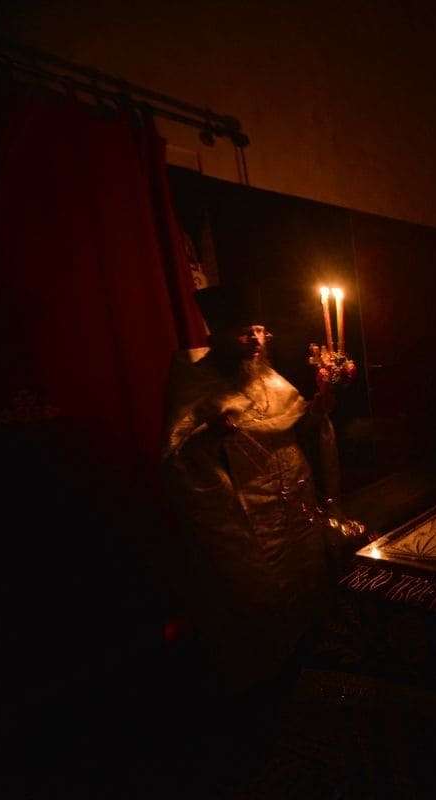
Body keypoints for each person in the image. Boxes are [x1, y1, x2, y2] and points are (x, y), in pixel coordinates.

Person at [162, 286, 337, 692]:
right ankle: (268, 681)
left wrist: (320, 406)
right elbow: (177, 454)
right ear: (219, 336)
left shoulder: (266, 376)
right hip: (244, 513)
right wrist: (211, 435)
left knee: (306, 581)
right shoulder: (194, 378)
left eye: (260, 330)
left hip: (295, 502)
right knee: (261, 594)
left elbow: (299, 425)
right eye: (245, 333)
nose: (257, 341)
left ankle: (311, 660)